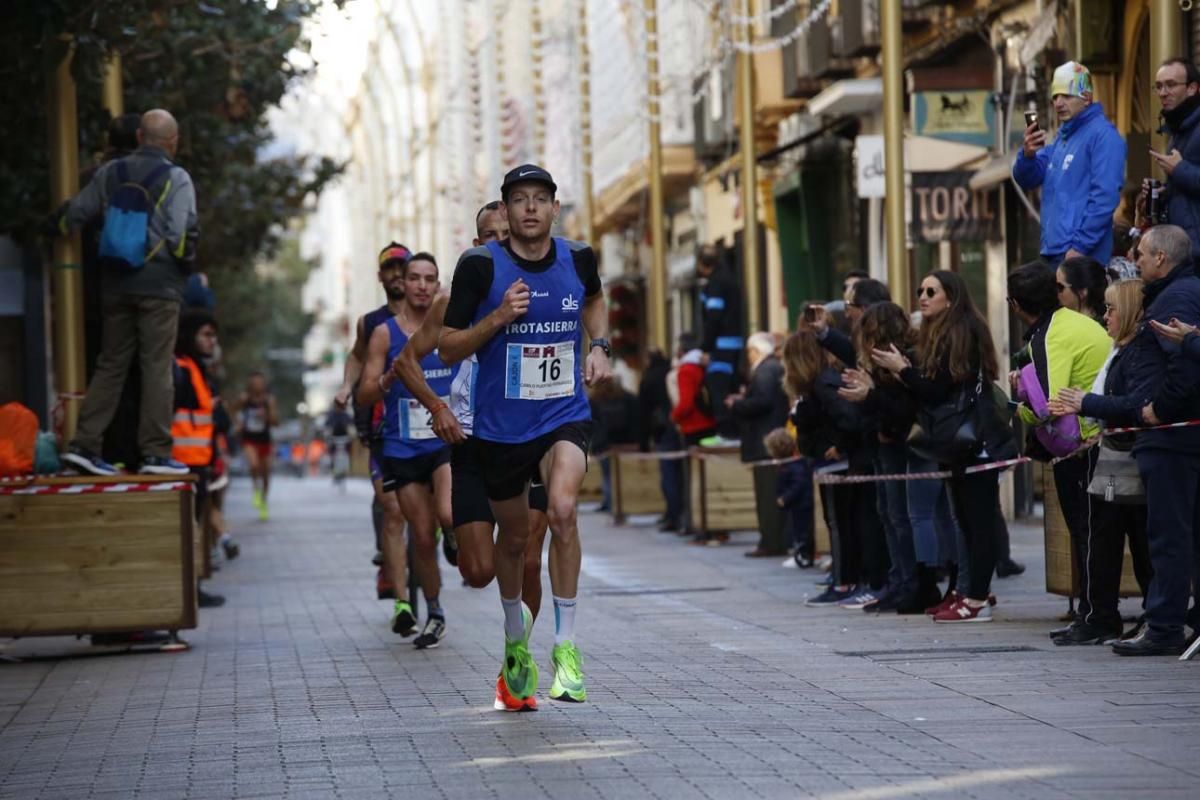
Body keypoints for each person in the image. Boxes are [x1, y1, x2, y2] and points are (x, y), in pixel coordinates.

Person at [440, 164, 612, 709]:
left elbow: (594, 301)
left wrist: (600, 346)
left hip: (562, 412)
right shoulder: (477, 266)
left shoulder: (578, 257)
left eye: (541, 198)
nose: (531, 208)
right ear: (506, 211)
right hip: (500, 429)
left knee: (562, 510)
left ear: (555, 209)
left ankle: (566, 648)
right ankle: (517, 640)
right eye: (520, 199)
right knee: (513, 540)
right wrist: (497, 318)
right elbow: (446, 347)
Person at [389, 202, 552, 650]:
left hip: (531, 438)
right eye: (490, 236)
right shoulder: (452, 300)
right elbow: (406, 362)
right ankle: (481, 555)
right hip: (474, 442)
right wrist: (438, 409)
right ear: (478, 243)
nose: (501, 242)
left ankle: (518, 654)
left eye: (508, 233)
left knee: (530, 557)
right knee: (478, 571)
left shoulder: (547, 287)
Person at [58, 109, 199, 477]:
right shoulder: (176, 177)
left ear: (139, 136)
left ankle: (84, 445)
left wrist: (55, 224)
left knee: (110, 364)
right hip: (159, 287)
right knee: (156, 368)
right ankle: (155, 453)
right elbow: (181, 236)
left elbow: (76, 213)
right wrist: (182, 271)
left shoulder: (109, 173)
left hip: (115, 283)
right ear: (173, 141)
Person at [871, 271, 1016, 623]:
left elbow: (939, 389)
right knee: (963, 520)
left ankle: (977, 598)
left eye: (931, 291)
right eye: (920, 289)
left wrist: (903, 370)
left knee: (976, 522)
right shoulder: (940, 332)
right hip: (954, 442)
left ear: (950, 297)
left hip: (973, 439)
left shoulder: (961, 331)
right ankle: (965, 591)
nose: (922, 296)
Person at [358, 252, 457, 649]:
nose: (420, 285)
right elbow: (365, 393)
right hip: (402, 445)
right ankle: (434, 611)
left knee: (446, 512)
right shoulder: (385, 333)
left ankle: (453, 534)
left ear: (436, 285)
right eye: (414, 277)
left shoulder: (451, 325)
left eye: (428, 278)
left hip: (444, 441)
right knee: (420, 535)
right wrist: (386, 378)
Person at [1049, 279, 1155, 644]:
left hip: (1125, 457)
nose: (1105, 316)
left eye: (1111, 309)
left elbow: (1135, 403)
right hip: (1112, 455)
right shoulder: (1120, 349)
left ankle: (1139, 615)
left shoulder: (1137, 350)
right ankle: (1102, 615)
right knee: (1106, 538)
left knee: (1132, 538)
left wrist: (1085, 404)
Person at [1007, 262, 1111, 637]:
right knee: (1100, 531)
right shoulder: (1073, 321)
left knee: (1086, 531)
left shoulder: (1048, 336)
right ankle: (1098, 613)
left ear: (1016, 304)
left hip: (1082, 447)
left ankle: (1093, 616)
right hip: (1103, 437)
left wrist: (1014, 406)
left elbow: (1047, 406)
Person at [1112, 225, 1200, 655]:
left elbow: (1184, 366)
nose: (1137, 259)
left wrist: (1158, 410)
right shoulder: (1179, 292)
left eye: (1142, 254)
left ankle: (1165, 626)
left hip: (1171, 440)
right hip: (1177, 437)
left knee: (1169, 535)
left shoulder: (1176, 298)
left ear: (1162, 258)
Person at [336, 242, 412, 601]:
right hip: (382, 423)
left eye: (403, 268)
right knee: (388, 501)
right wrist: (345, 387)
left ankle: (439, 537)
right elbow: (355, 358)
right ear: (381, 277)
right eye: (390, 269)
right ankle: (390, 566)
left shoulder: (430, 315)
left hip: (426, 422)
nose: (397, 275)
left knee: (426, 501)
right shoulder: (371, 322)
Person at [1012, 61, 1126, 264]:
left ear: (1087, 97)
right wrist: (1028, 154)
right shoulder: (1061, 139)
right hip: (1054, 251)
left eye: (1066, 95)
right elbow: (1027, 179)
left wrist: (1080, 246)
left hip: (1081, 256)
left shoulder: (1104, 136)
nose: (1058, 103)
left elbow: (1105, 197)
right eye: (1055, 96)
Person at [170, 307, 226, 609]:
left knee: (193, 529)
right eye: (205, 335)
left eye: (213, 336)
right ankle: (188, 591)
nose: (211, 341)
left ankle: (193, 588)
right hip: (180, 462)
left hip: (198, 462)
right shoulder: (179, 368)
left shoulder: (196, 369)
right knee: (185, 531)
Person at [728, 332, 790, 557]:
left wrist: (737, 405)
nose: (748, 356)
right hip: (766, 439)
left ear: (757, 351)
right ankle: (773, 539)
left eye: (749, 351)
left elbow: (763, 402)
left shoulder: (765, 370)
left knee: (767, 494)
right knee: (769, 493)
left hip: (764, 441)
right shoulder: (772, 368)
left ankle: (771, 541)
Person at [1142, 57, 1200, 254]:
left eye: (1171, 85)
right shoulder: (1178, 128)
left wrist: (1179, 170)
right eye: (1158, 86)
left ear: (1192, 88)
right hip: (1182, 250)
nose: (1163, 93)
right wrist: (1160, 191)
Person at [669, 333, 718, 542]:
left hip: (693, 429)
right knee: (710, 476)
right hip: (710, 426)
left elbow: (686, 404)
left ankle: (697, 523)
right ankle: (712, 523)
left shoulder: (685, 370)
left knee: (694, 479)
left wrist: (674, 417)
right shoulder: (703, 366)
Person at [696, 244, 743, 441]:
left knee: (718, 388)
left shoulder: (715, 284)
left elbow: (713, 318)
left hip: (720, 346)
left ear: (701, 264)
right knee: (731, 387)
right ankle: (733, 432)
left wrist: (706, 347)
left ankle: (725, 433)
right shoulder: (731, 279)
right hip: (735, 344)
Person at [637, 349, 677, 531]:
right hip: (677, 427)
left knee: (668, 474)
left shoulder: (649, 379)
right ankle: (677, 514)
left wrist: (643, 443)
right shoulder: (671, 373)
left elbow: (643, 413)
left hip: (662, 430)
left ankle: (672, 513)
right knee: (678, 475)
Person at [764, 428, 814, 568]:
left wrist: (785, 497)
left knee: (801, 532)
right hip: (798, 504)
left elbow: (799, 484)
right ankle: (802, 554)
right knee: (799, 530)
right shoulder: (790, 464)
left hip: (801, 504)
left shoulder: (793, 466)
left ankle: (802, 556)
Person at [589, 377, 640, 514]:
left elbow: (593, 425)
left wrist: (593, 445)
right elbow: (635, 420)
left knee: (607, 475)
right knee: (623, 474)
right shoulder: (628, 398)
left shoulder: (594, 401)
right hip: (625, 443)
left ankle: (609, 503)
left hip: (604, 445)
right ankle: (623, 502)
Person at [235, 372, 279, 521]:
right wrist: (238, 424)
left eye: (260, 382)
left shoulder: (269, 400)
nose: (258, 385)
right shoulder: (244, 399)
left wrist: (268, 415)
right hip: (249, 439)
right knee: (253, 464)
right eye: (255, 382)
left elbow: (275, 422)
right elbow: (235, 412)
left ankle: (264, 502)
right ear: (250, 384)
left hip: (264, 439)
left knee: (266, 473)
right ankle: (255, 489)